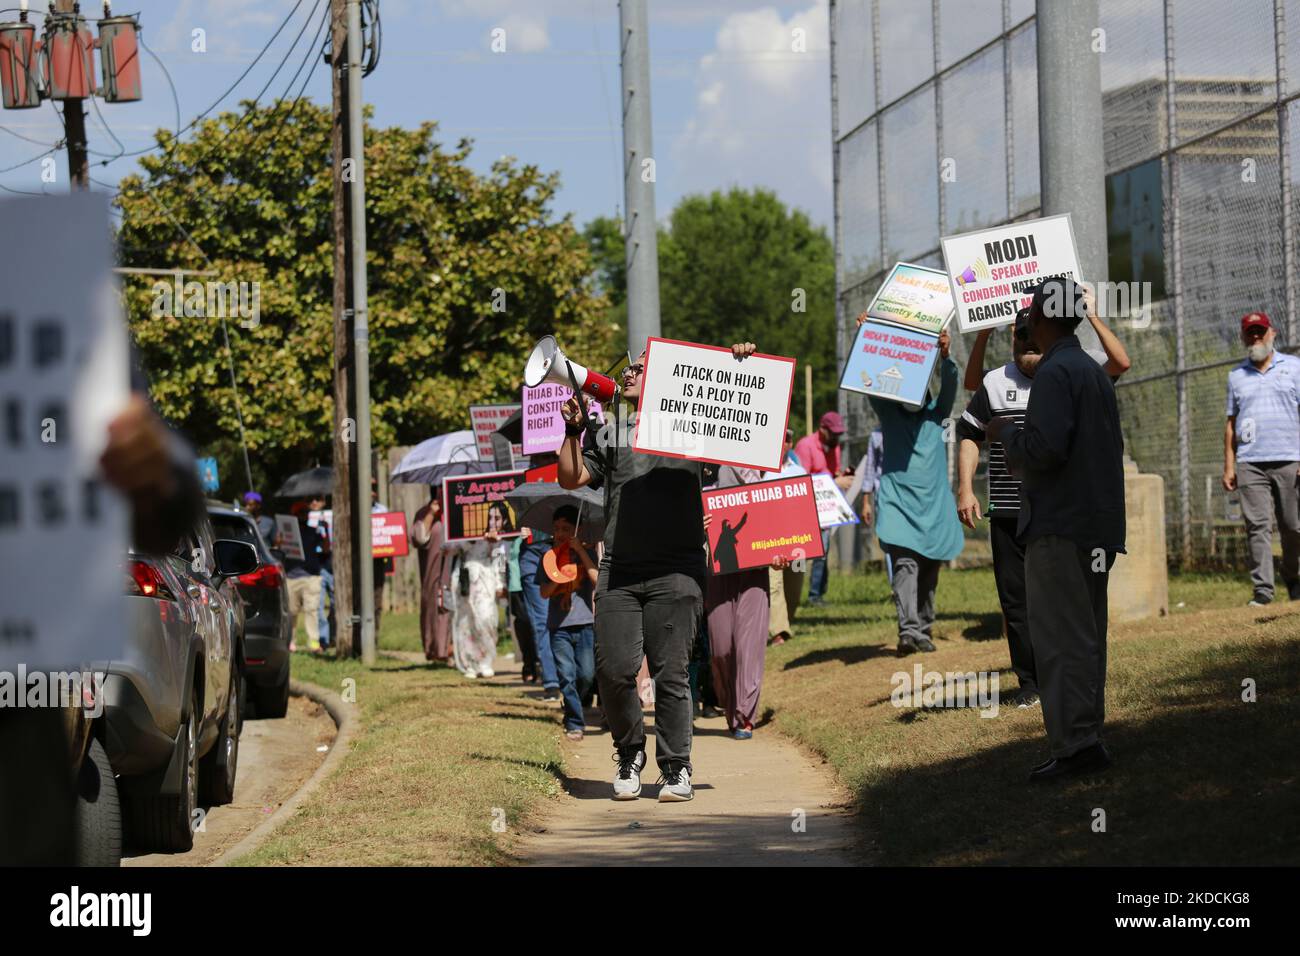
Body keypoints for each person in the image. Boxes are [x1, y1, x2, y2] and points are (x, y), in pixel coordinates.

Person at [558, 340, 758, 803]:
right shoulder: (610, 432)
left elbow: (747, 419)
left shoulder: (697, 428)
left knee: (671, 673)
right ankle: (629, 754)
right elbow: (570, 478)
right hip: (620, 571)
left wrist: (736, 365)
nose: (629, 374)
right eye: (628, 369)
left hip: (677, 569)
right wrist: (571, 431)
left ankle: (675, 768)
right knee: (612, 671)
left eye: (641, 369)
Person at [957, 299, 1130, 707]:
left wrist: (1089, 313)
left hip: (1058, 514)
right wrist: (966, 488)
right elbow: (970, 431)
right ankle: (1032, 684)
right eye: (1020, 338)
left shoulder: (1073, 372)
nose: (1028, 345)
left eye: (1033, 336)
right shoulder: (997, 382)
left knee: (1070, 605)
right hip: (1009, 510)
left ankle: (1075, 691)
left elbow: (1120, 363)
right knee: (1017, 600)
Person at [990, 278, 1126, 783]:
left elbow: (1044, 451)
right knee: (1087, 636)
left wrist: (1008, 435)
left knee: (1060, 639)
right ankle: (1088, 737)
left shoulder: (1054, 373)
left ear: (1040, 319)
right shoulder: (1090, 370)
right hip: (1096, 524)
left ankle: (1076, 747)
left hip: (1060, 526)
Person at [859, 321, 964, 655]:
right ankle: (908, 630)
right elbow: (870, 383)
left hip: (933, 508)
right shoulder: (889, 415)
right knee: (906, 565)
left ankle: (924, 626)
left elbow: (951, 384)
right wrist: (867, 339)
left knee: (930, 567)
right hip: (899, 505)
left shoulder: (936, 415)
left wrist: (945, 355)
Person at [1222, 311, 1300, 606]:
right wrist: (1229, 465)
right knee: (1258, 526)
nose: (1255, 337)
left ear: (1272, 333)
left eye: (1260, 331)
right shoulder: (1236, 376)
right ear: (1243, 337)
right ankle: (1263, 591)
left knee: (1293, 527)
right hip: (1250, 462)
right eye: (1250, 332)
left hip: (1290, 458)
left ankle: (1292, 577)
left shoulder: (1294, 368)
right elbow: (1231, 423)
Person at [703, 466, 786, 740]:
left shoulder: (772, 477)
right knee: (722, 648)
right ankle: (730, 707)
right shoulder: (700, 473)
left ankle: (744, 716)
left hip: (754, 570)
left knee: (748, 647)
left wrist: (779, 551)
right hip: (716, 569)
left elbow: (787, 526)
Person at [537, 506, 598, 741]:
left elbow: (597, 580)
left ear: (577, 530)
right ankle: (574, 722)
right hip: (559, 628)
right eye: (556, 528)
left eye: (566, 529)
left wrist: (579, 553)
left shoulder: (587, 555)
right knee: (567, 676)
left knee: (587, 675)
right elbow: (543, 592)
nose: (560, 533)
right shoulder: (548, 558)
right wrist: (557, 576)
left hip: (584, 625)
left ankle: (574, 703)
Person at [794, 412, 855, 606]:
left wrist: (841, 475)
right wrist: (836, 481)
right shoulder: (805, 446)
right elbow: (799, 481)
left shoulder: (834, 447)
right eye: (833, 433)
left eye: (839, 433)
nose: (837, 437)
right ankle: (811, 596)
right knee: (812, 551)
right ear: (822, 429)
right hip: (807, 506)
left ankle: (818, 593)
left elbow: (831, 472)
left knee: (824, 549)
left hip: (825, 505)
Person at [446, 523, 507, 679]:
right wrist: (468, 541)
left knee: (486, 618)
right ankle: (470, 663)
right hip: (465, 576)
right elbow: (446, 548)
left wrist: (501, 582)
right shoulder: (459, 523)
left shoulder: (495, 528)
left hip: (487, 578)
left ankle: (486, 660)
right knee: (466, 622)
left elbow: (500, 555)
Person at [767, 428, 807, 645]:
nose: (785, 443)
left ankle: (786, 622)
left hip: (796, 541)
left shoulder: (800, 471)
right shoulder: (761, 471)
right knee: (774, 584)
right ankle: (778, 632)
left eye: (788, 440)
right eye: (781, 438)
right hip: (770, 538)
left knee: (795, 583)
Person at [411, 491, 453, 662]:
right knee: (434, 605)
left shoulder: (457, 508)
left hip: (455, 567)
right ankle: (436, 649)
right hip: (433, 570)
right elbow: (418, 539)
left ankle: (454, 648)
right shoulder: (424, 512)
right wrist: (431, 514)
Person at [283, 499, 327, 653]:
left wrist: (325, 531)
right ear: (294, 515)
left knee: (312, 610)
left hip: (311, 577)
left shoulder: (313, 531)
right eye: (301, 513)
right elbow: (278, 548)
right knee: (291, 611)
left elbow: (325, 548)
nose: (305, 515)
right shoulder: (286, 532)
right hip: (291, 577)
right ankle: (291, 642)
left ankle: (313, 642)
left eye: (306, 513)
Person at [508, 532, 541, 682]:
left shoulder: (536, 534)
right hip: (516, 586)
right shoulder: (509, 536)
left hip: (535, 582)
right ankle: (528, 664)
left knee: (536, 624)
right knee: (523, 625)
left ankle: (540, 664)